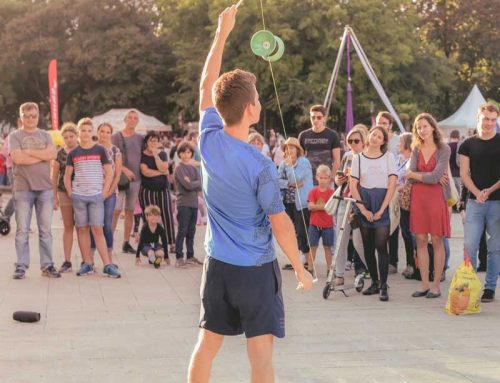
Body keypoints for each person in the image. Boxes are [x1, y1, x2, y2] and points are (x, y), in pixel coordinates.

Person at [188, 6, 313, 383]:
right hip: (256, 271)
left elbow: (205, 84)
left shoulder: (208, 138)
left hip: (217, 266)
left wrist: (222, 33)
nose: (260, 101)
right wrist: (302, 268)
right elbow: (280, 223)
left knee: (206, 345)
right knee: (260, 356)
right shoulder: (259, 164)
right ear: (250, 110)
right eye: (257, 98)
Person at [9, 102, 61, 279]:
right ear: (21, 117)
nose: (30, 119)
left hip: (45, 189)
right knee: (22, 230)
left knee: (45, 230)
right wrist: (41, 155)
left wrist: (28, 152)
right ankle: (21, 266)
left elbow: (52, 155)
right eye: (26, 116)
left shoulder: (46, 135)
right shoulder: (15, 136)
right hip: (23, 189)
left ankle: (47, 265)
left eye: (33, 116)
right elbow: (18, 158)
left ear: (38, 117)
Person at [64, 118, 120, 278]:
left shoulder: (100, 150)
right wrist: (70, 193)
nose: (86, 133)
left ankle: (108, 265)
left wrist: (104, 193)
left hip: (96, 196)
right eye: (83, 131)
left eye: (89, 130)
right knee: (82, 229)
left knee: (98, 229)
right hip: (79, 197)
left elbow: (109, 173)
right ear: (78, 133)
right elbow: (67, 176)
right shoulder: (73, 153)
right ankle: (87, 263)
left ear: (92, 132)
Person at [350, 125, 397, 302]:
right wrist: (363, 209)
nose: (376, 138)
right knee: (368, 247)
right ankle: (375, 283)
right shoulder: (358, 159)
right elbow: (353, 185)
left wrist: (382, 208)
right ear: (369, 136)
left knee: (381, 246)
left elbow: (392, 184)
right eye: (374, 134)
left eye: (380, 137)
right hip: (365, 201)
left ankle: (384, 285)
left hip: (382, 201)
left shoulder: (388, 157)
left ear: (384, 141)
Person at [459, 102, 500, 302]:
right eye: (486, 119)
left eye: (493, 120)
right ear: (478, 118)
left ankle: (490, 288)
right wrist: (477, 193)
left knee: (495, 248)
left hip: (497, 203)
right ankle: (469, 286)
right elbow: (464, 174)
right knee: (469, 245)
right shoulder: (468, 144)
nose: (489, 123)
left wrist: (488, 191)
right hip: (475, 203)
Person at [407, 113, 451, 298]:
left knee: (437, 240)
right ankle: (424, 284)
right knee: (421, 241)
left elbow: (433, 176)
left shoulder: (444, 149)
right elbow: (409, 173)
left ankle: (435, 286)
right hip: (418, 198)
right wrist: (426, 176)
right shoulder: (416, 148)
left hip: (436, 198)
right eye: (418, 127)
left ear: (432, 127)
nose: (421, 130)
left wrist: (416, 175)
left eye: (425, 126)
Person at [333, 126, 367, 285]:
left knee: (359, 241)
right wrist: (338, 180)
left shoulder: (367, 157)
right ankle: (339, 274)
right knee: (340, 239)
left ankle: (371, 271)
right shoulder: (347, 156)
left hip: (359, 202)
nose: (353, 144)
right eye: (350, 141)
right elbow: (338, 177)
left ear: (363, 142)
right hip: (344, 200)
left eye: (356, 141)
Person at [277, 137, 314, 273]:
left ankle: (308, 262)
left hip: (301, 203)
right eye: (286, 148)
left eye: (292, 148)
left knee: (302, 232)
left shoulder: (303, 162)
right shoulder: (283, 163)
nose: (289, 150)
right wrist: (288, 184)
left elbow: (296, 178)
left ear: (298, 150)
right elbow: (277, 180)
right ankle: (297, 261)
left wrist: (289, 168)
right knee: (291, 232)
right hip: (288, 203)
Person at [139, 131, 176, 258]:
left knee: (167, 215)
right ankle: (148, 242)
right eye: (150, 140)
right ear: (146, 142)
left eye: (155, 140)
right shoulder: (142, 155)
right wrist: (161, 172)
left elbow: (165, 166)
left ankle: (172, 242)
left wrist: (155, 155)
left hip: (163, 190)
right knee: (149, 216)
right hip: (147, 190)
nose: (153, 143)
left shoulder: (162, 154)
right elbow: (145, 172)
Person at [112, 110, 144, 254]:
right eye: (130, 117)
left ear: (137, 121)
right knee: (116, 210)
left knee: (130, 211)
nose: (132, 120)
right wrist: (124, 170)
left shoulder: (140, 138)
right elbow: (111, 156)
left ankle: (126, 242)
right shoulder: (116, 136)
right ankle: (108, 240)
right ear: (125, 120)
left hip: (136, 179)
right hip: (119, 179)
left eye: (135, 118)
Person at [89, 123, 122, 262]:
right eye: (102, 131)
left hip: (110, 192)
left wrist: (109, 191)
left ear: (111, 134)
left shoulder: (115, 151)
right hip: (94, 191)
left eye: (108, 132)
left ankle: (109, 259)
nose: (105, 134)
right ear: (98, 132)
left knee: (107, 224)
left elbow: (118, 174)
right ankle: (89, 258)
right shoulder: (92, 148)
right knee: (94, 224)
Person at [52, 122, 79, 272]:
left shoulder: (82, 150)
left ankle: (87, 260)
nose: (69, 139)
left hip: (82, 192)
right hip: (64, 193)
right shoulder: (60, 153)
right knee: (68, 226)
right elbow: (54, 176)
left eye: (72, 136)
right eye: (66, 137)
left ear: (77, 136)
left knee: (83, 227)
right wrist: (54, 197)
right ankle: (67, 261)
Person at [174, 141, 203, 267]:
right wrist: (194, 183)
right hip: (183, 203)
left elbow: (200, 184)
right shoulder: (179, 168)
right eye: (184, 152)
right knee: (182, 230)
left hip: (194, 204)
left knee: (192, 231)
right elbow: (187, 185)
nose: (186, 155)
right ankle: (179, 257)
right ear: (179, 154)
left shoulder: (193, 168)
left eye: (189, 152)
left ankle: (190, 256)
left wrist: (194, 183)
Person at [298, 104, 341, 181]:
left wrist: (331, 178)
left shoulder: (332, 135)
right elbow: (300, 159)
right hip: (308, 179)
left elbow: (337, 160)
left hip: (326, 179)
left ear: (324, 118)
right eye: (313, 117)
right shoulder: (303, 135)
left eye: (319, 117)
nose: (315, 120)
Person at [307, 164, 334, 276]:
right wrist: (324, 207)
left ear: (329, 179)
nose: (323, 180)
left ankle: (329, 269)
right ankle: (309, 269)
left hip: (328, 225)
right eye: (321, 177)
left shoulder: (331, 192)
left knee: (327, 247)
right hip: (314, 224)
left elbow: (331, 207)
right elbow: (310, 206)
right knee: (312, 247)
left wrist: (317, 207)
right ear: (317, 177)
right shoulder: (313, 191)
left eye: (325, 178)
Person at [396, 132, 416, 278]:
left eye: (400, 142)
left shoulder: (413, 161)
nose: (397, 144)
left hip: (411, 202)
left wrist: (396, 189)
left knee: (411, 234)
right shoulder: (400, 160)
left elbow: (409, 183)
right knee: (405, 233)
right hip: (402, 202)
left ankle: (414, 264)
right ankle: (410, 263)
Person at [448, 129, 461, 200]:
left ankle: (453, 208)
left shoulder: (447, 146)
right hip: (459, 173)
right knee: (459, 194)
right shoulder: (461, 146)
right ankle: (459, 208)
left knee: (451, 194)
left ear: (450, 136)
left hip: (450, 174)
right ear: (458, 136)